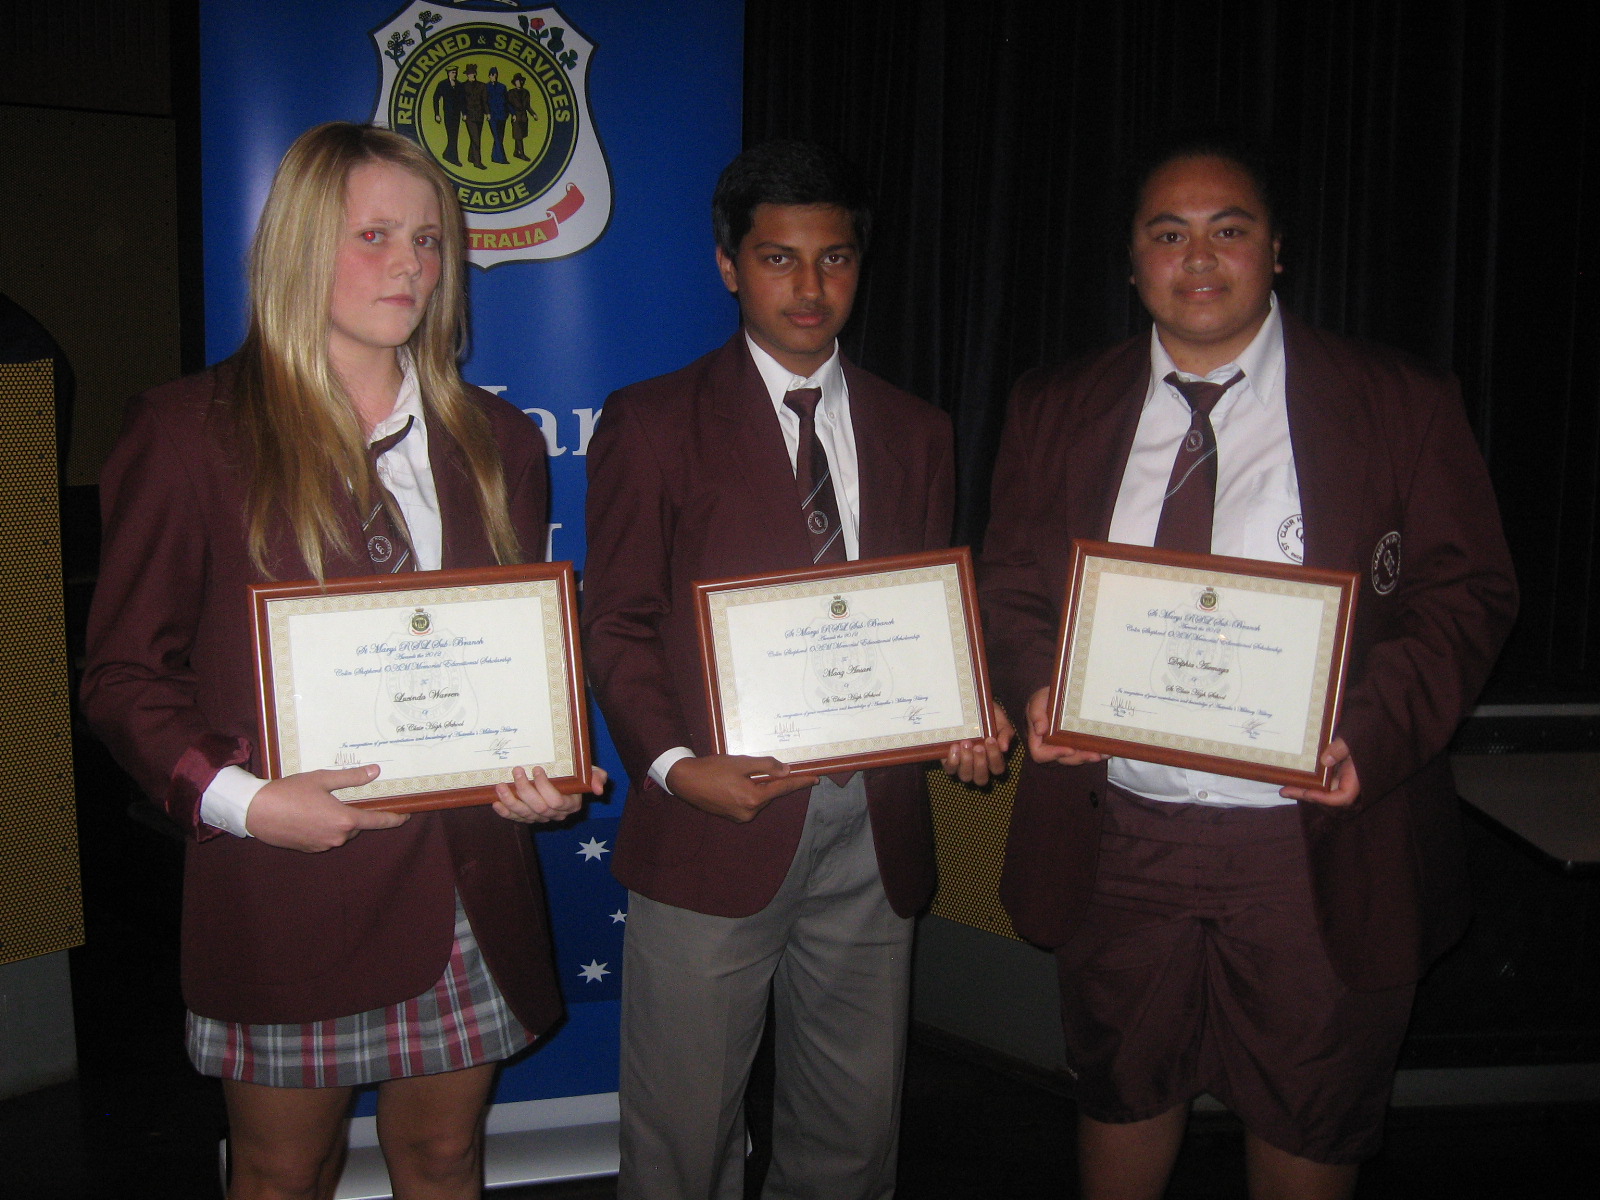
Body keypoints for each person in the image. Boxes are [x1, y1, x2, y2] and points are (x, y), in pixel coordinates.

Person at [979, 137, 1517, 1200]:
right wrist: (1037, 682)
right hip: (1119, 836)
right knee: (1123, 1097)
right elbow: (1011, 585)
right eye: (1167, 234)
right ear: (1131, 262)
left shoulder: (1395, 400)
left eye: (1228, 229)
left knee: (1310, 1119)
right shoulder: (1055, 404)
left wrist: (1371, 733)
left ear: (1276, 252)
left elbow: (1466, 592)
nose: (1198, 257)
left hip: (1315, 844)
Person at [81, 122, 605, 1200]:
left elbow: (506, 652)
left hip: (465, 880)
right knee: (280, 1173)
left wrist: (538, 765)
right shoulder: (189, 432)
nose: (410, 266)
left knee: (445, 1158)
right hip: (285, 887)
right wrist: (242, 801)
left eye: (428, 241)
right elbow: (124, 676)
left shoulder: (498, 444)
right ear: (300, 245)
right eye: (375, 235)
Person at [583, 140, 1010, 1199]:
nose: (810, 288)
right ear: (729, 265)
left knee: (851, 1130)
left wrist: (961, 707)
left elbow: (923, 621)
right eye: (779, 259)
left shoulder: (920, 431)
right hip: (716, 819)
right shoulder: (651, 421)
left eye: (835, 259)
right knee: (683, 1135)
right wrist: (678, 768)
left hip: (875, 822)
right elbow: (618, 623)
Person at [432, 66, 464, 167]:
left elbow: (462, 101)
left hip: (457, 114)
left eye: (455, 73)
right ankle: (453, 158)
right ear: (448, 73)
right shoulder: (443, 84)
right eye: (453, 72)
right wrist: (437, 114)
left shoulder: (459, 85)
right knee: (452, 135)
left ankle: (448, 154)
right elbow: (436, 98)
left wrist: (464, 113)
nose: (454, 74)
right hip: (448, 113)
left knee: (454, 135)